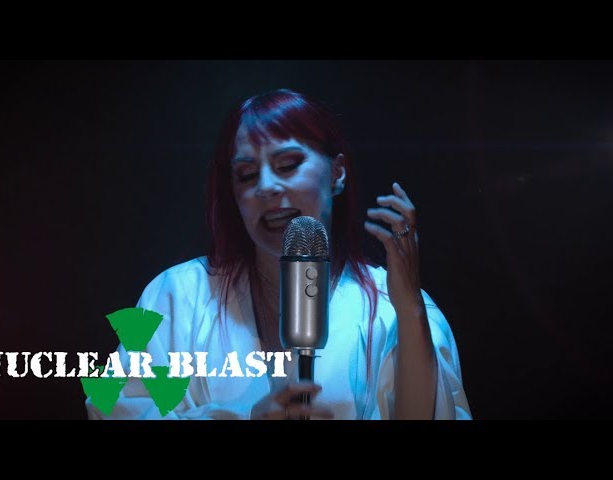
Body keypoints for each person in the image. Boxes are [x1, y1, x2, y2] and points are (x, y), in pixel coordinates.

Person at [86, 88, 472, 420]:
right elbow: (112, 407)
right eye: (247, 175)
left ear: (337, 173)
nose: (267, 187)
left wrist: (410, 311)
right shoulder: (178, 294)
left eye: (288, 165)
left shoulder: (393, 306)